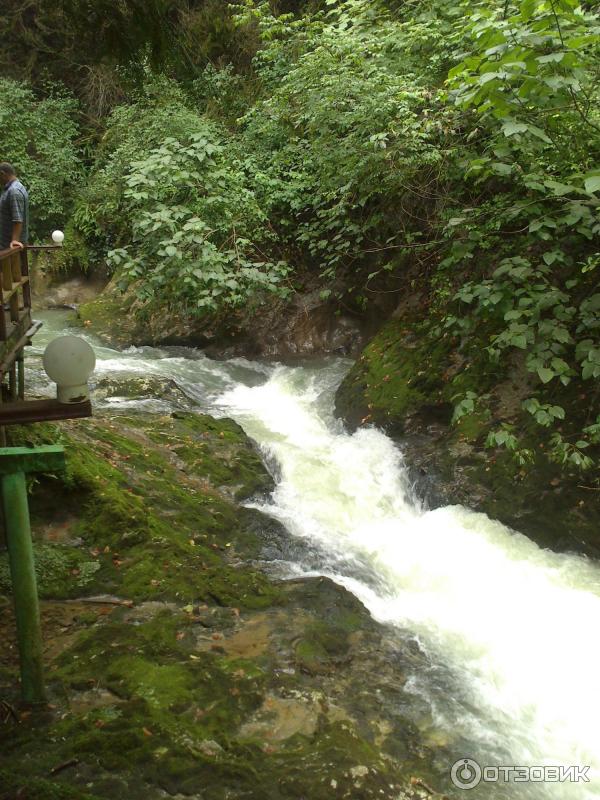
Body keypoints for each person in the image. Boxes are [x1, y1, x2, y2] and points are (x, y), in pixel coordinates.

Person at [0, 163, 29, 251]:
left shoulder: (14, 191)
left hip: (9, 248)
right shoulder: (12, 189)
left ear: (2, 174)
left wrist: (15, 240)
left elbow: (17, 219)